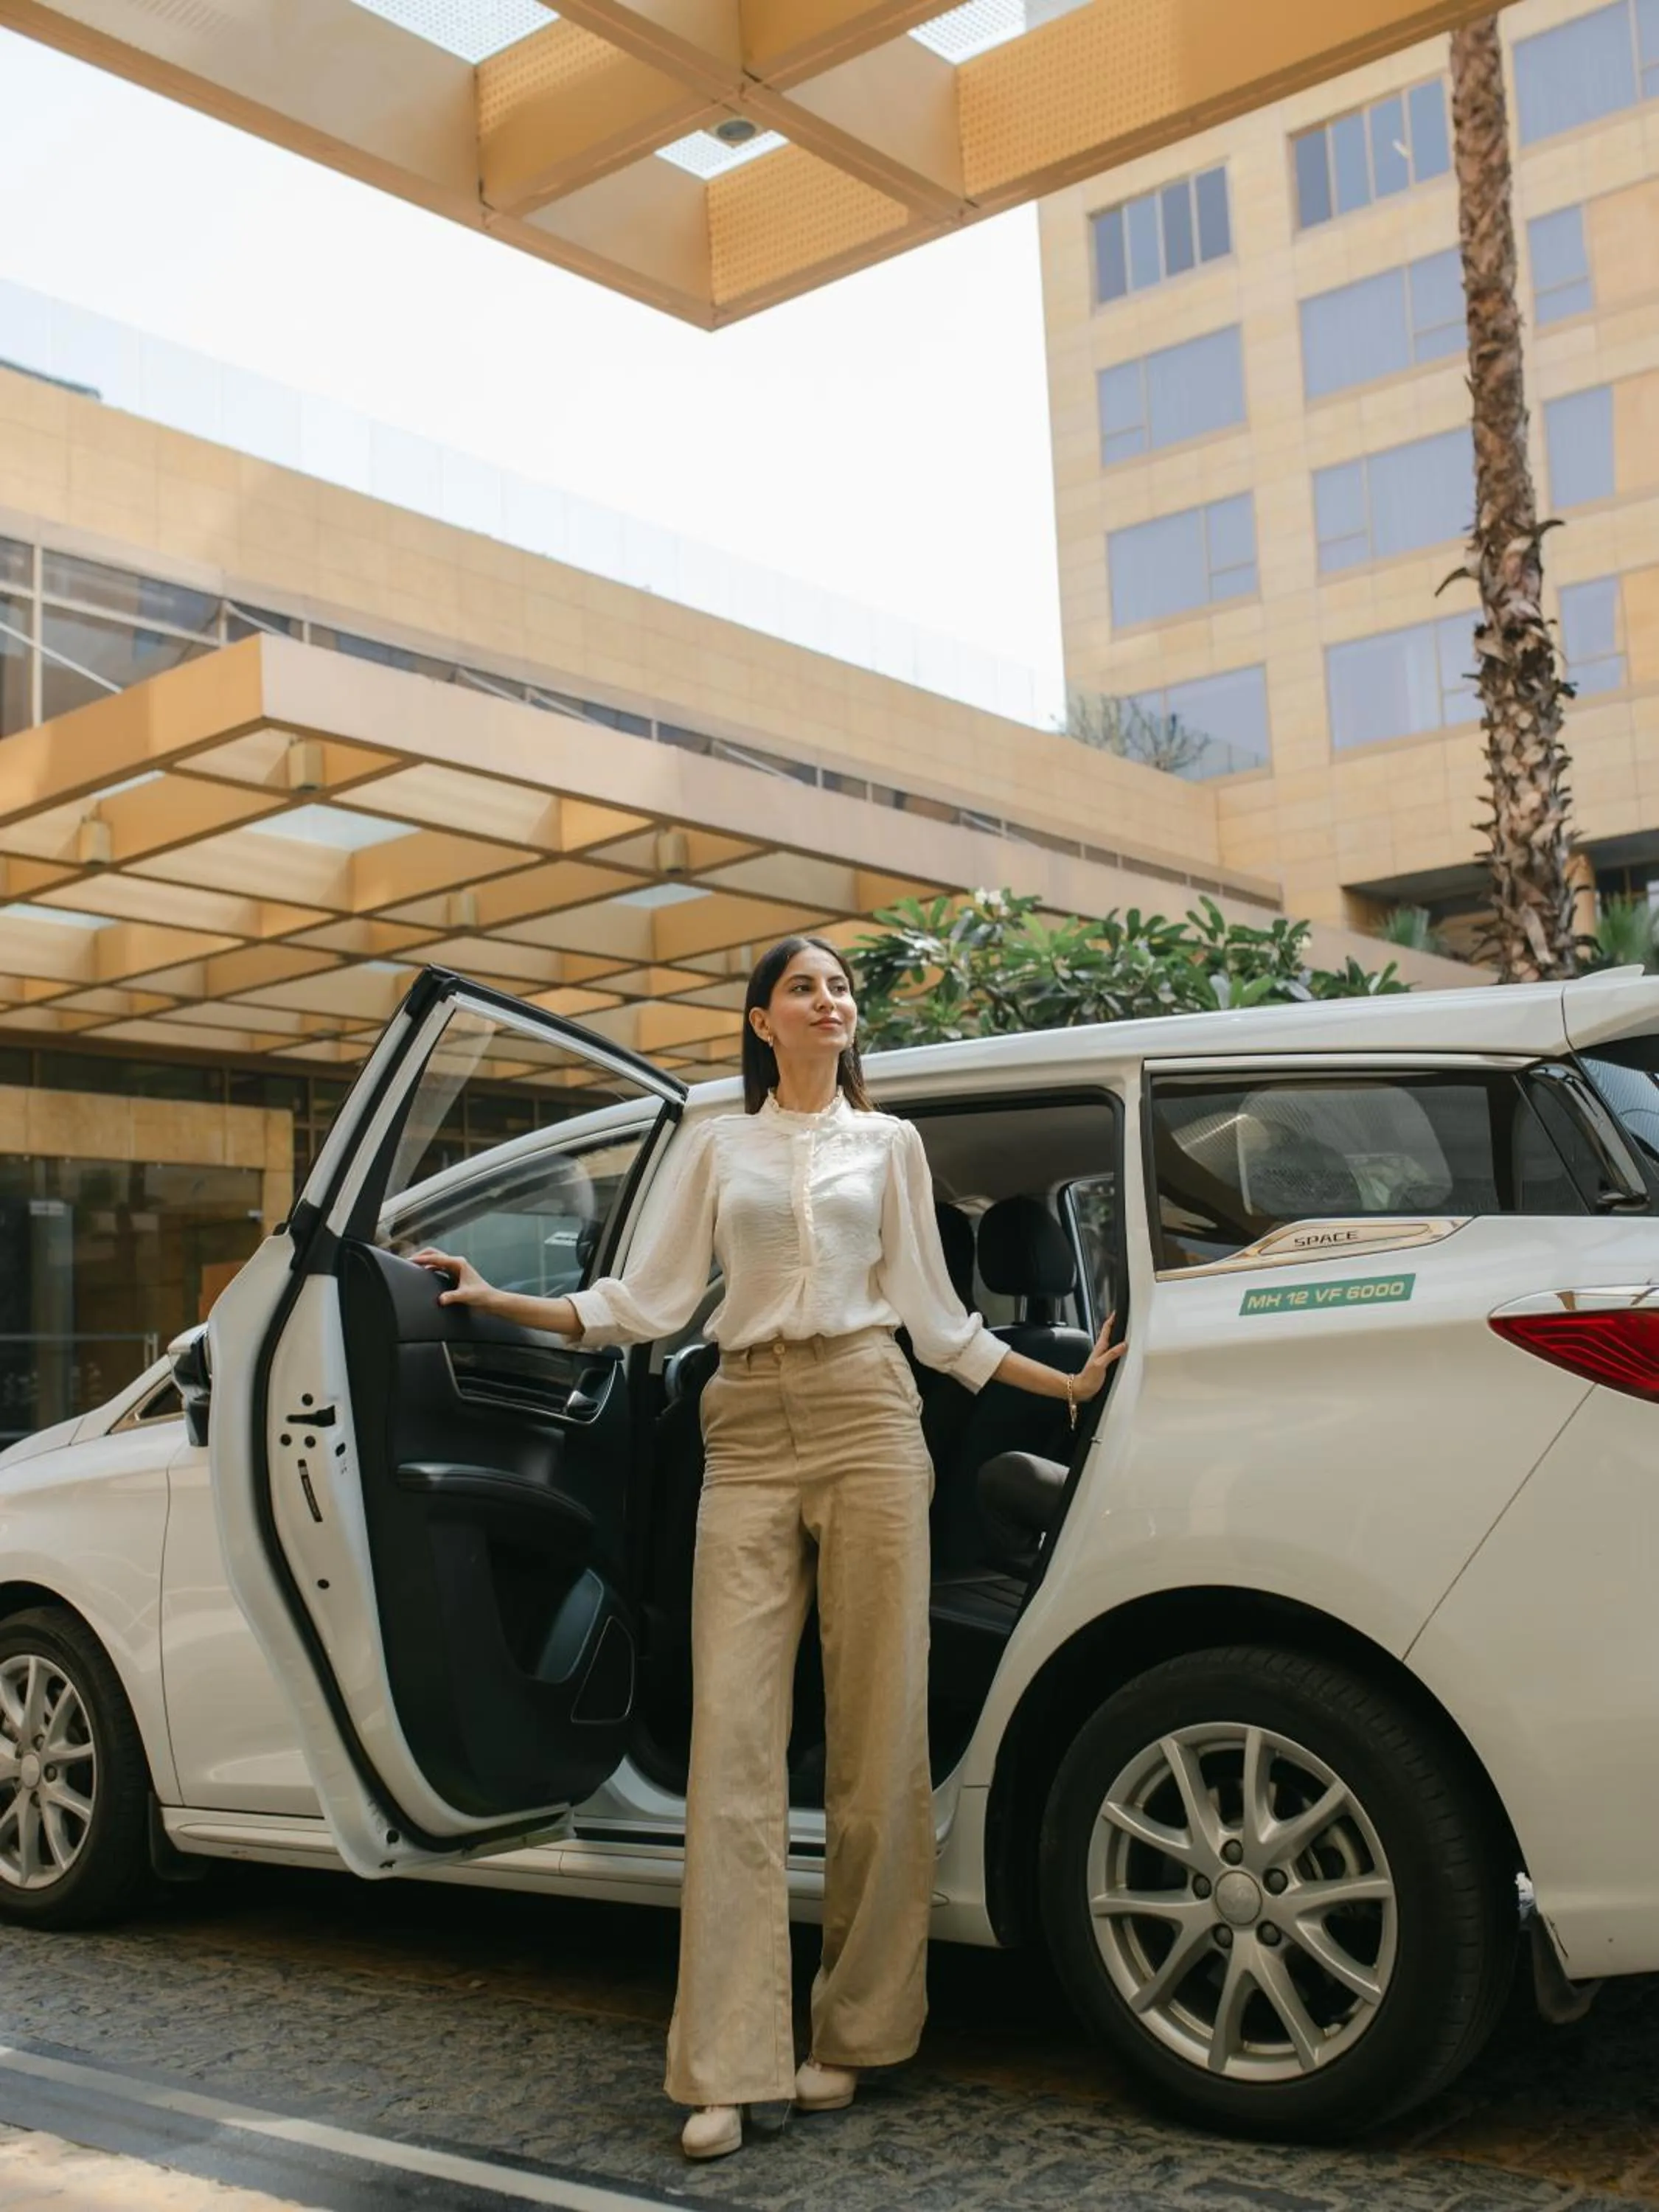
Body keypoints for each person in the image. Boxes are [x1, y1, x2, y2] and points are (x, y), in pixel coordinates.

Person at [414, 936, 1124, 2162]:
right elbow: (645, 1302)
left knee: (874, 1737)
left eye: (842, 988)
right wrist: (504, 1300)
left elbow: (939, 1325)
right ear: (759, 1019)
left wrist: (1063, 1383)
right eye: (805, 987)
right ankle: (727, 2062)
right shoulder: (714, 1147)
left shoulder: (890, 1148)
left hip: (868, 1414)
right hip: (742, 1424)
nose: (831, 1001)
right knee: (734, 1746)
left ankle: (856, 2031)